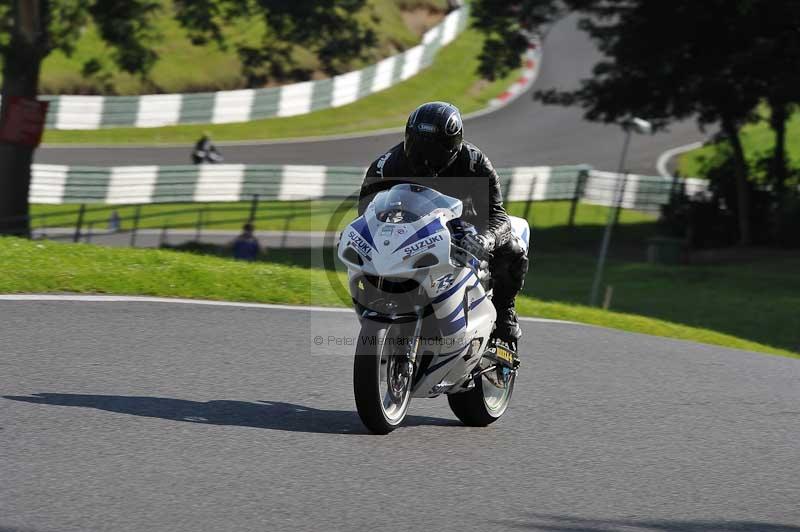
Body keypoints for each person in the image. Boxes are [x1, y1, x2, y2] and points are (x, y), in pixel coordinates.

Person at [358, 101, 529, 355]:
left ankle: (505, 312)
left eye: (434, 150)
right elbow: (366, 211)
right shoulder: (387, 165)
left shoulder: (475, 164)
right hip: (411, 229)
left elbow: (498, 216)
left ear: (454, 146)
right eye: (417, 146)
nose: (424, 158)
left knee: (512, 248)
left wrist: (486, 239)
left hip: (466, 229)